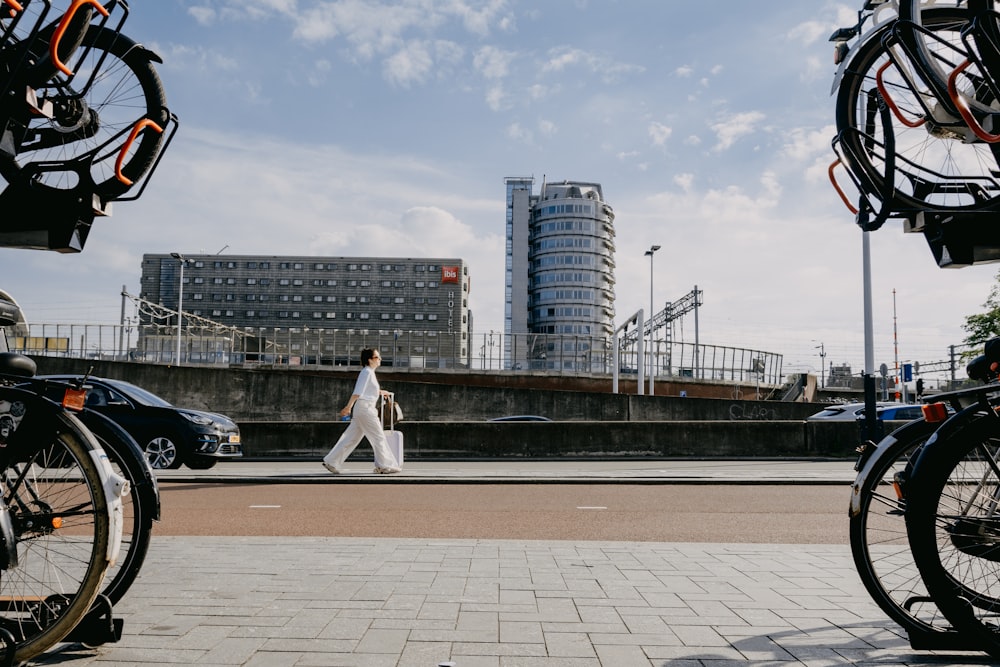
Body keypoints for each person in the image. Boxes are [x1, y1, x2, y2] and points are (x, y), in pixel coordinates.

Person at [322, 348, 401, 474]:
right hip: (366, 409)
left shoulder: (368, 373)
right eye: (377, 357)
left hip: (363, 409)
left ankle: (332, 461)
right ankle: (384, 465)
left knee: (351, 438)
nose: (380, 359)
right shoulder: (367, 372)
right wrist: (348, 407)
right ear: (370, 360)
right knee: (378, 437)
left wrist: (381, 392)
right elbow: (358, 392)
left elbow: (366, 390)